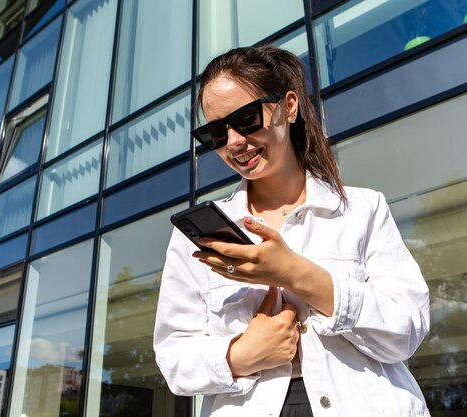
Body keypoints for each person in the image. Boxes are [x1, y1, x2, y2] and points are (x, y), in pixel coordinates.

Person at [153, 45, 431, 417]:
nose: (234, 142)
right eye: (216, 134)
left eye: (247, 118)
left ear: (288, 106)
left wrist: (295, 273)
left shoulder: (361, 210)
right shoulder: (197, 237)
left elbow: (406, 331)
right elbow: (173, 357)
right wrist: (240, 355)